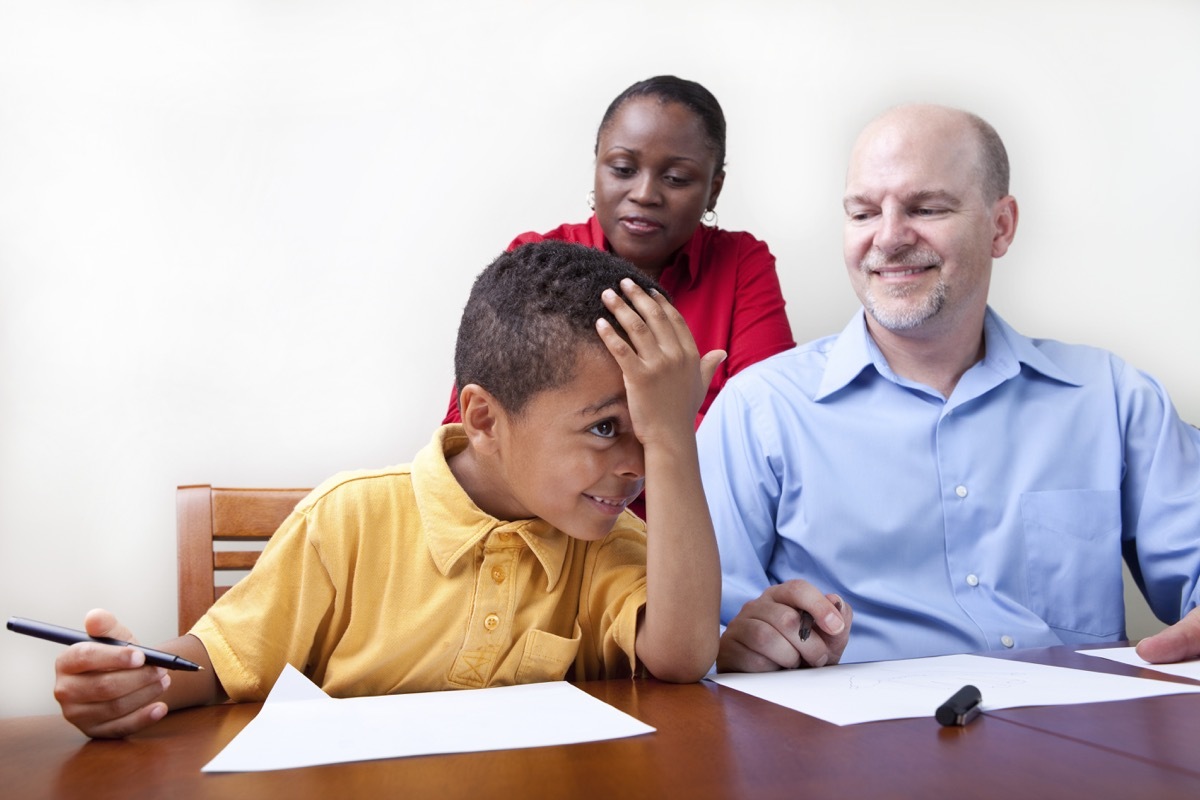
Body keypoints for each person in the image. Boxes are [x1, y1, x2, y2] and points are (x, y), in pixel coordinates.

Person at [54, 240, 724, 738]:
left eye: (650, 432)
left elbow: (683, 657)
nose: (637, 461)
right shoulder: (349, 518)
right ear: (484, 419)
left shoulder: (607, 540)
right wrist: (139, 677)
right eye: (608, 427)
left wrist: (674, 437)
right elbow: (222, 662)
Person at [699, 104, 1200, 673]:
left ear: (1001, 226)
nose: (887, 239)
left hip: (1072, 747)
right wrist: (732, 645)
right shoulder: (758, 411)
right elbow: (702, 634)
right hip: (851, 752)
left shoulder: (1112, 399)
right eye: (863, 213)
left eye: (926, 208)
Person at [444, 75, 794, 430]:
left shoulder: (740, 265)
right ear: (597, 167)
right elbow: (470, 427)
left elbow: (767, 426)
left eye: (676, 178)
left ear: (713, 191)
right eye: (623, 169)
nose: (644, 194)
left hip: (701, 487)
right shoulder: (535, 261)